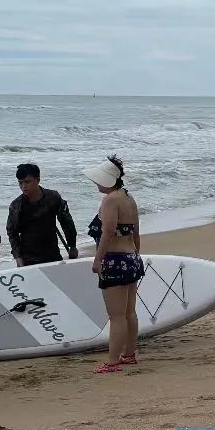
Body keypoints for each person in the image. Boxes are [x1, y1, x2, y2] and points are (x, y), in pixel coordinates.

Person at [84, 156, 144, 374]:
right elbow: (136, 232)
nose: (96, 183)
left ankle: (112, 361)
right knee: (129, 313)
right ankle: (128, 354)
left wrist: (98, 259)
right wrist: (136, 254)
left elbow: (108, 232)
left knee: (116, 316)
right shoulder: (128, 198)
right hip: (131, 258)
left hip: (115, 260)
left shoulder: (110, 200)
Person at [6, 163, 79, 267]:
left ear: (38, 180)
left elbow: (66, 221)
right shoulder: (17, 205)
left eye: (27, 182)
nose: (23, 186)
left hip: (52, 254)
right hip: (28, 258)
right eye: (20, 183)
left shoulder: (53, 197)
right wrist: (18, 257)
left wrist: (72, 245)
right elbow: (12, 232)